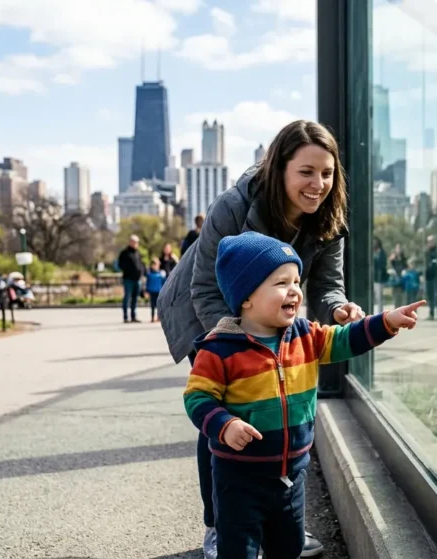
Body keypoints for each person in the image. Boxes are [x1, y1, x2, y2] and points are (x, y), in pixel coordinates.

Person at [158, 119, 364, 559]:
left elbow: (328, 287)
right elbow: (205, 288)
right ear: (280, 168)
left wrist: (340, 309)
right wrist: (235, 342)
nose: (318, 184)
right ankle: (220, 526)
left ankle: (281, 527)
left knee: (273, 410)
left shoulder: (329, 218)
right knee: (223, 410)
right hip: (208, 312)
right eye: (306, 172)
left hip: (268, 316)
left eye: (326, 173)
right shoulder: (234, 206)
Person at [184, 232, 424, 559]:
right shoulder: (219, 348)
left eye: (296, 280)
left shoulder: (305, 335)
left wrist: (386, 322)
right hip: (238, 480)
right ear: (246, 297)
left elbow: (345, 339)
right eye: (281, 282)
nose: (295, 290)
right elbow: (198, 398)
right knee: (238, 550)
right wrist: (224, 425)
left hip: (291, 477)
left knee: (289, 547)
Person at [117, 235, 144, 324]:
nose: (135, 244)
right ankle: (125, 317)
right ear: (130, 242)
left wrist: (142, 273)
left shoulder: (138, 253)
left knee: (135, 299)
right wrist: (128, 270)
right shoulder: (124, 253)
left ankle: (133, 316)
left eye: (137, 242)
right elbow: (120, 265)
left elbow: (141, 264)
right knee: (127, 298)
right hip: (128, 279)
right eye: (134, 242)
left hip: (137, 279)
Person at [388, 243, 408, 307]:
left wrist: (404, 270)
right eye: (397, 248)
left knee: (402, 299)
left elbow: (406, 267)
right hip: (395, 281)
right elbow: (389, 266)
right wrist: (391, 259)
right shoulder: (393, 258)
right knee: (396, 299)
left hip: (402, 281)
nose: (398, 250)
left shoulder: (404, 258)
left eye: (400, 248)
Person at [372, 237, 388, 314]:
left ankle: (379, 313)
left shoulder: (382, 252)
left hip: (379, 278)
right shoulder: (371, 252)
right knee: (374, 297)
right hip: (372, 277)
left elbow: (383, 264)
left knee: (379, 297)